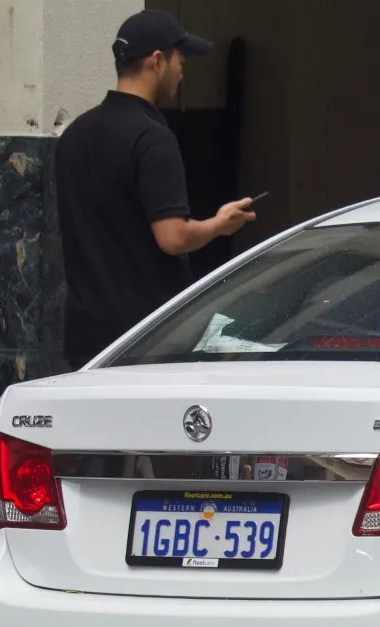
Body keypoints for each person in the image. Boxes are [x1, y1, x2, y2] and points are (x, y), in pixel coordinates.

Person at [55, 9, 255, 369]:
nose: (183, 70)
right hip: (146, 339)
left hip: (85, 341)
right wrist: (220, 224)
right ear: (157, 61)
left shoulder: (74, 135)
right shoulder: (152, 138)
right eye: (181, 59)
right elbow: (173, 237)